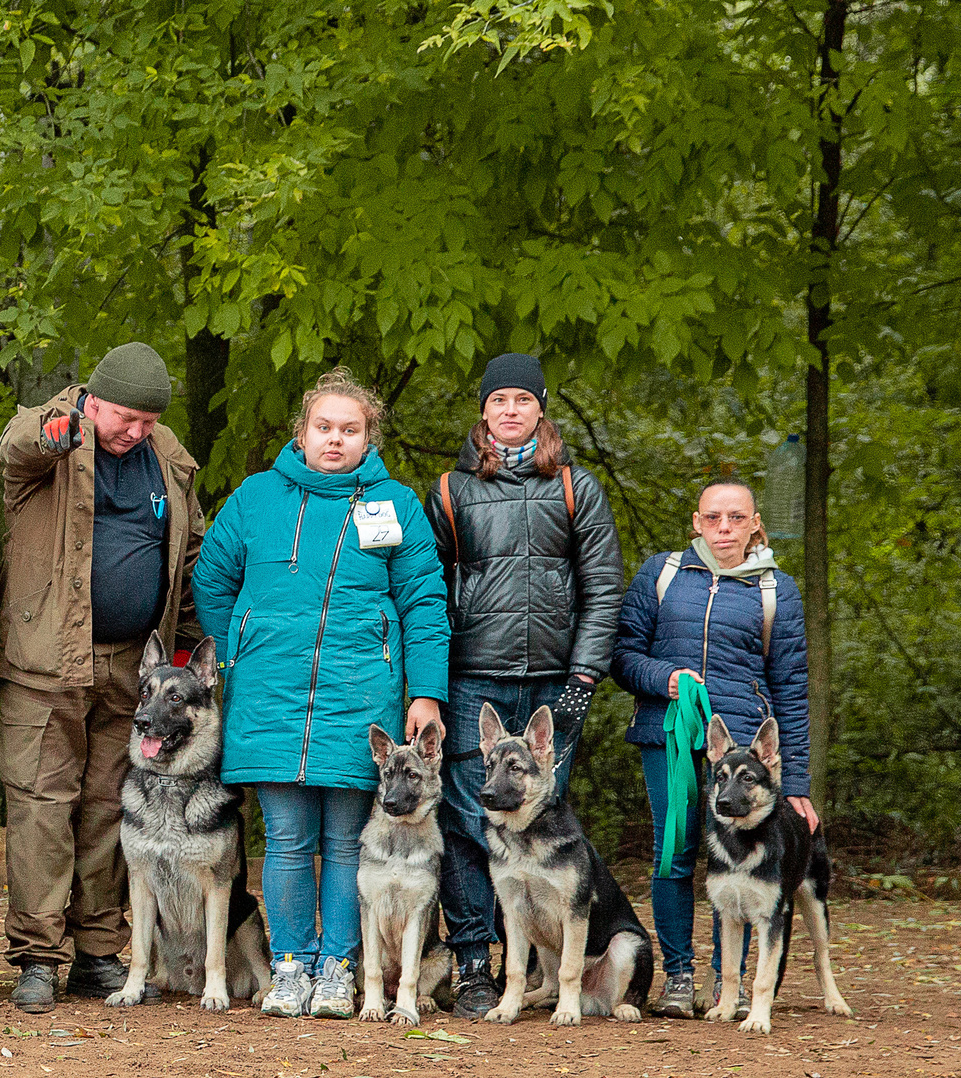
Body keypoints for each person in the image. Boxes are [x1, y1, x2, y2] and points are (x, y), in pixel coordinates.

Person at [193, 367, 447, 1021]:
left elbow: (423, 601)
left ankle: (337, 967)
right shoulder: (255, 498)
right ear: (301, 433)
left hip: (361, 697)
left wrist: (426, 692)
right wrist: (240, 646)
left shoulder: (394, 505)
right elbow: (212, 577)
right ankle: (291, 965)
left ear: (369, 438)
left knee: (342, 842)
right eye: (324, 427)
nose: (335, 439)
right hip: (269, 694)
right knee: (283, 836)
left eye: (350, 429)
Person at [0, 341, 207, 1013]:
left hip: (133, 668)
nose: (135, 431)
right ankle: (38, 955)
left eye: (147, 419)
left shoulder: (166, 457)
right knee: (40, 805)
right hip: (46, 660)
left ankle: (97, 950)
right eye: (125, 417)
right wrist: (59, 433)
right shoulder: (56, 431)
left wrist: (191, 652)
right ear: (93, 398)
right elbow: (17, 446)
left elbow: (188, 553)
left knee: (112, 806)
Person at [428, 352, 625, 1019]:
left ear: (541, 407)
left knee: (546, 829)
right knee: (466, 824)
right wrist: (427, 682)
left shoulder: (577, 487)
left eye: (522, 399)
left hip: (552, 681)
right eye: (497, 400)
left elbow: (602, 590)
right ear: (482, 410)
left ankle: (547, 969)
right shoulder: (450, 492)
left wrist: (585, 673)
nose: (510, 410)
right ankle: (475, 964)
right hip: (469, 676)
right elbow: (427, 594)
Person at [611, 480, 813, 1018]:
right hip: (666, 737)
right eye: (713, 517)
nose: (724, 528)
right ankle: (679, 978)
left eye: (735, 517)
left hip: (743, 752)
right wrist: (665, 678)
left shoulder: (776, 590)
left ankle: (734, 987)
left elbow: (791, 691)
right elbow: (623, 656)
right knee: (673, 854)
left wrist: (796, 786)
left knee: (745, 863)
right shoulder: (662, 573)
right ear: (696, 522)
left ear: (754, 523)